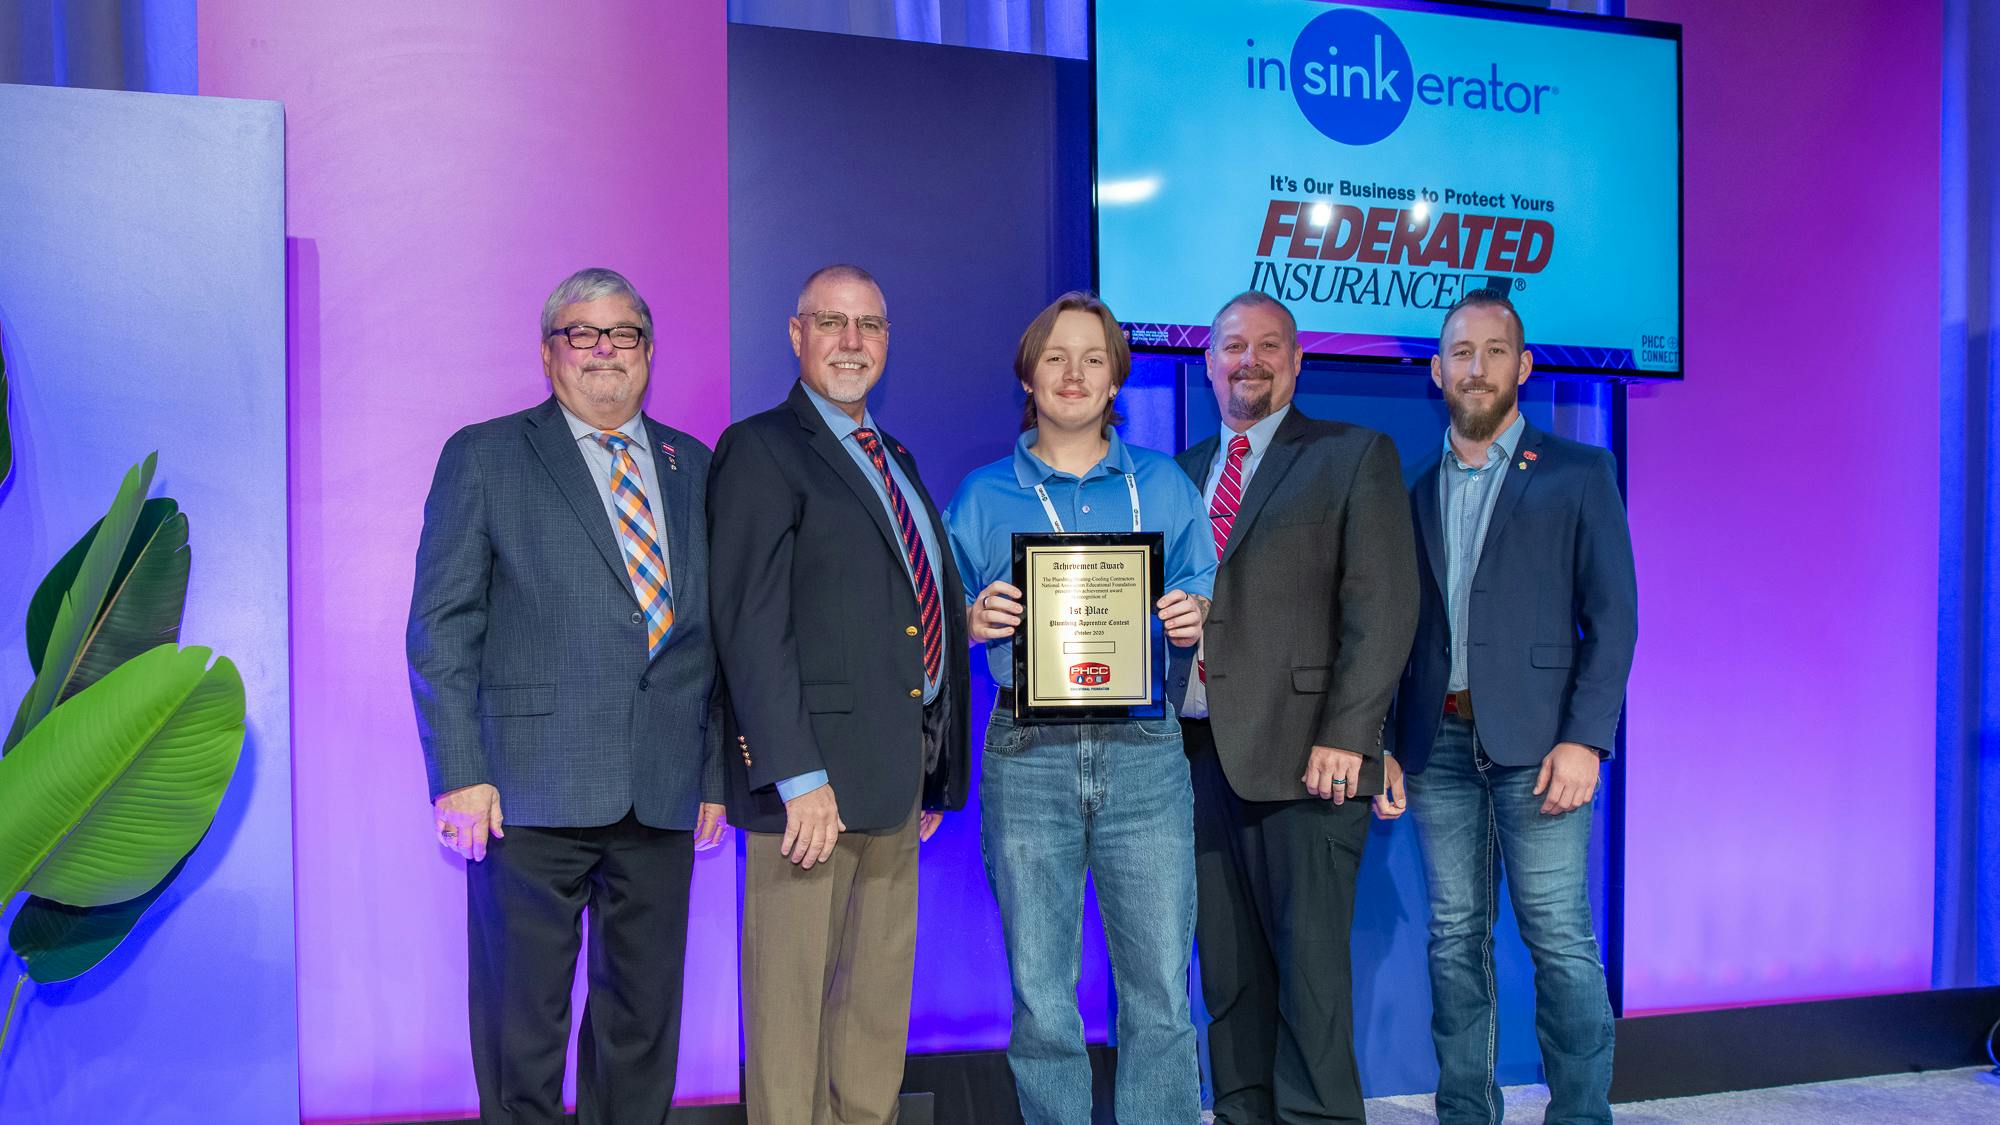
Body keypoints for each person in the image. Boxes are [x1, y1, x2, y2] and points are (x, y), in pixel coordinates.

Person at [407, 267, 728, 1125]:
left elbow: (713, 638)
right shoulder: (486, 454)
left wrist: (710, 774)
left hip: (660, 790)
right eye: (581, 334)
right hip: (525, 793)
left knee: (641, 1025)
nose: (603, 352)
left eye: (622, 334)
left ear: (649, 353)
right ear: (549, 353)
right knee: (524, 1027)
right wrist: (459, 772)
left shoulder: (694, 465)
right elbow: (442, 626)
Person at [709, 263, 970, 1125]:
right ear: (797, 335)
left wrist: (931, 763)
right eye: (833, 322)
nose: (852, 342)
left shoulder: (894, 457)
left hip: (894, 787)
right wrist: (794, 774)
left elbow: (913, 615)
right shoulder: (762, 447)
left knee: (872, 1018)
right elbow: (749, 624)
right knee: (790, 1023)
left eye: (870, 326)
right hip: (808, 797)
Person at [945, 291, 1214, 1123]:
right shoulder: (983, 495)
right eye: (1055, 357)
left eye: (1092, 358)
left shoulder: (1162, 484)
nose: (1073, 373)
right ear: (1029, 375)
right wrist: (968, 617)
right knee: (1040, 992)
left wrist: (1195, 614)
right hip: (1027, 755)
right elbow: (937, 607)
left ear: (1114, 379)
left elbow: (1203, 586)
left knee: (1161, 989)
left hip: (1144, 754)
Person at [1387, 289, 1637, 1125]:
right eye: (1461, 352)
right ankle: (1466, 1109)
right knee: (1455, 939)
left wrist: (1587, 741)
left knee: (1559, 940)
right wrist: (1389, 739)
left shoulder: (1577, 471)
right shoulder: (1411, 486)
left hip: (1543, 749)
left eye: (1495, 351)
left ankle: (1580, 1114)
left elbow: (1616, 616)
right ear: (1437, 369)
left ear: (1523, 366)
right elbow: (1395, 631)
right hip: (1438, 748)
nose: (1477, 367)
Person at [1174, 290, 1418, 1123]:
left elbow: (1382, 605)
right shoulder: (1179, 471)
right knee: (1230, 980)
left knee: (1310, 989)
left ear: (1297, 360)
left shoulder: (1353, 454)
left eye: (1270, 345)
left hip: (1309, 759)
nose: (1251, 359)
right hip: (1195, 758)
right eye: (1233, 345)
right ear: (1207, 362)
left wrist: (1351, 734)